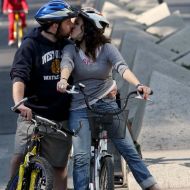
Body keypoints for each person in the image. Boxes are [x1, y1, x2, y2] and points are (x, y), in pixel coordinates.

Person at [57, 7, 161, 190]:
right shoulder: (70, 49)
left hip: (107, 104)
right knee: (81, 158)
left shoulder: (107, 49)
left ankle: (151, 186)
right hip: (80, 107)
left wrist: (139, 85)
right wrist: (63, 80)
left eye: (78, 24)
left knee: (129, 150)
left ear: (88, 29)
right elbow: (66, 64)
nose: (72, 27)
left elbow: (122, 68)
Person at [9, 1, 77, 189]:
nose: (71, 24)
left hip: (59, 118)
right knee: (19, 156)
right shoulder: (30, 45)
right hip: (32, 115)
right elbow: (19, 77)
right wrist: (19, 104)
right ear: (55, 25)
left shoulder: (68, 45)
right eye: (67, 21)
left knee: (59, 168)